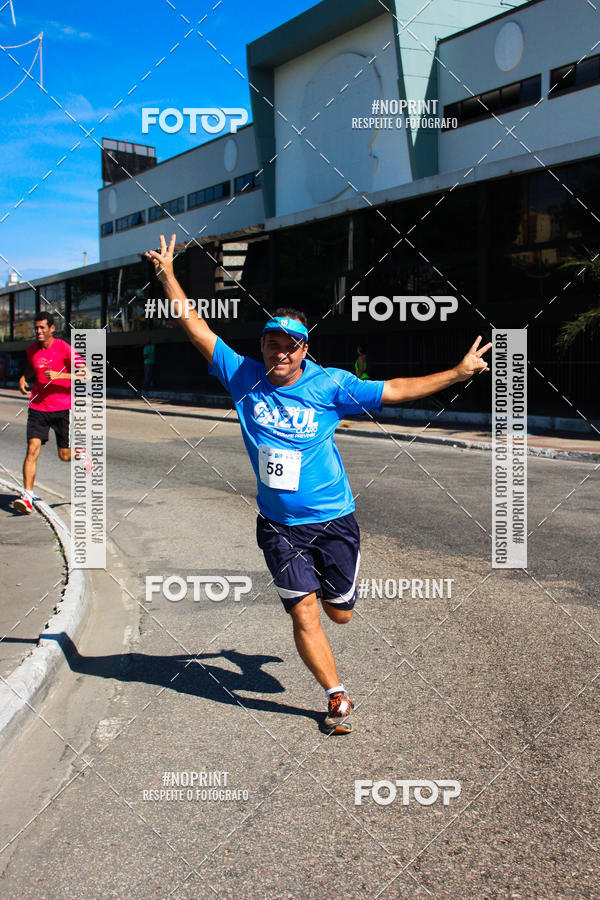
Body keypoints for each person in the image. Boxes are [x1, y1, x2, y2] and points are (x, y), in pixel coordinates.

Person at [145, 234, 492, 734]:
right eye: (271, 343)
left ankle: (308, 625)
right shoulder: (243, 376)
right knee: (302, 611)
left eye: (289, 345)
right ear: (262, 345)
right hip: (279, 527)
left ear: (303, 348)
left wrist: (457, 373)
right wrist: (168, 276)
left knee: (340, 614)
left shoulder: (331, 384)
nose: (279, 353)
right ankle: (336, 697)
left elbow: (394, 390)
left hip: (334, 520)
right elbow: (195, 327)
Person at [14, 313, 90, 514]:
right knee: (32, 449)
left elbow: (87, 374)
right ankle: (27, 497)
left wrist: (61, 375)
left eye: (42, 328)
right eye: (36, 328)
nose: (38, 331)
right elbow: (33, 366)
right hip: (38, 407)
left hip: (63, 408)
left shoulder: (64, 348)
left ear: (51, 328)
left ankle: (80, 453)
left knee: (65, 456)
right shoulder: (32, 350)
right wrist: (23, 378)